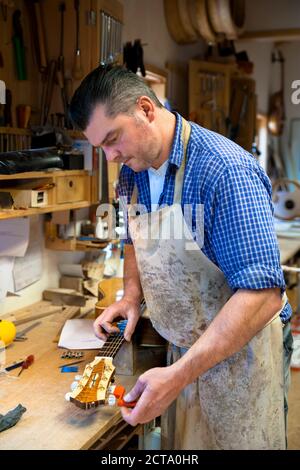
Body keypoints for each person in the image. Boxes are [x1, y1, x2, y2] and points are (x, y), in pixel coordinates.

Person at [69, 64, 293, 450]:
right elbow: (134, 241)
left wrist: (178, 375)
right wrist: (130, 297)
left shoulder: (224, 171)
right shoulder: (131, 174)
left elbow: (263, 295)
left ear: (145, 108)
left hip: (243, 356)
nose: (109, 157)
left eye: (113, 139)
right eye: (100, 147)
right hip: (182, 353)